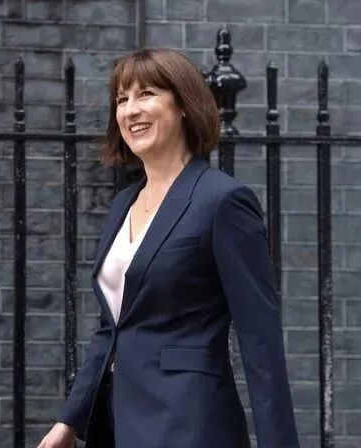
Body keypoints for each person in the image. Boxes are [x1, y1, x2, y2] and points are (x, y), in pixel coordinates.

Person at [38, 49, 298, 448]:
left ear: (184, 105)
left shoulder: (222, 201)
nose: (130, 110)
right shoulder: (124, 203)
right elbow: (112, 328)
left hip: (188, 421)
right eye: (122, 99)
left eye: (146, 94)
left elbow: (260, 339)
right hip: (118, 421)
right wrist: (69, 421)